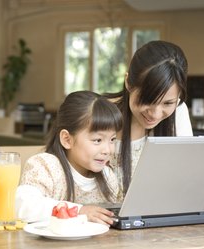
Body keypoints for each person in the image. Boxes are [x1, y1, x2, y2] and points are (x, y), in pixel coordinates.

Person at [104, 40, 204, 225]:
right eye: (147, 100)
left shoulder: (178, 112)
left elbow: (189, 182)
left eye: (167, 103)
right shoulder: (100, 114)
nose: (156, 114)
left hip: (155, 228)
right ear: (128, 82)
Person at [16, 90, 123, 225]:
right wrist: (79, 211)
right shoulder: (46, 166)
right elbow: (22, 206)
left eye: (112, 139)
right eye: (97, 140)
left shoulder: (108, 178)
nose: (108, 150)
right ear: (67, 139)